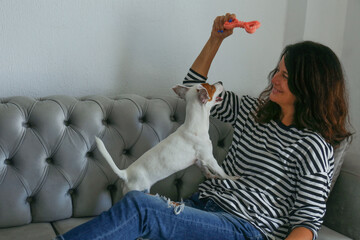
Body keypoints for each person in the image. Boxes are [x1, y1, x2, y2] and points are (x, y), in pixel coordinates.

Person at [55, 13, 352, 240]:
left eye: (285, 76)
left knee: (139, 207)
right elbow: (192, 90)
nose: (275, 79)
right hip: (203, 208)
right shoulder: (255, 111)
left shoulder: (313, 146)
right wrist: (216, 39)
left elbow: (308, 222)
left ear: (310, 86)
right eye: (278, 70)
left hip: (245, 227)